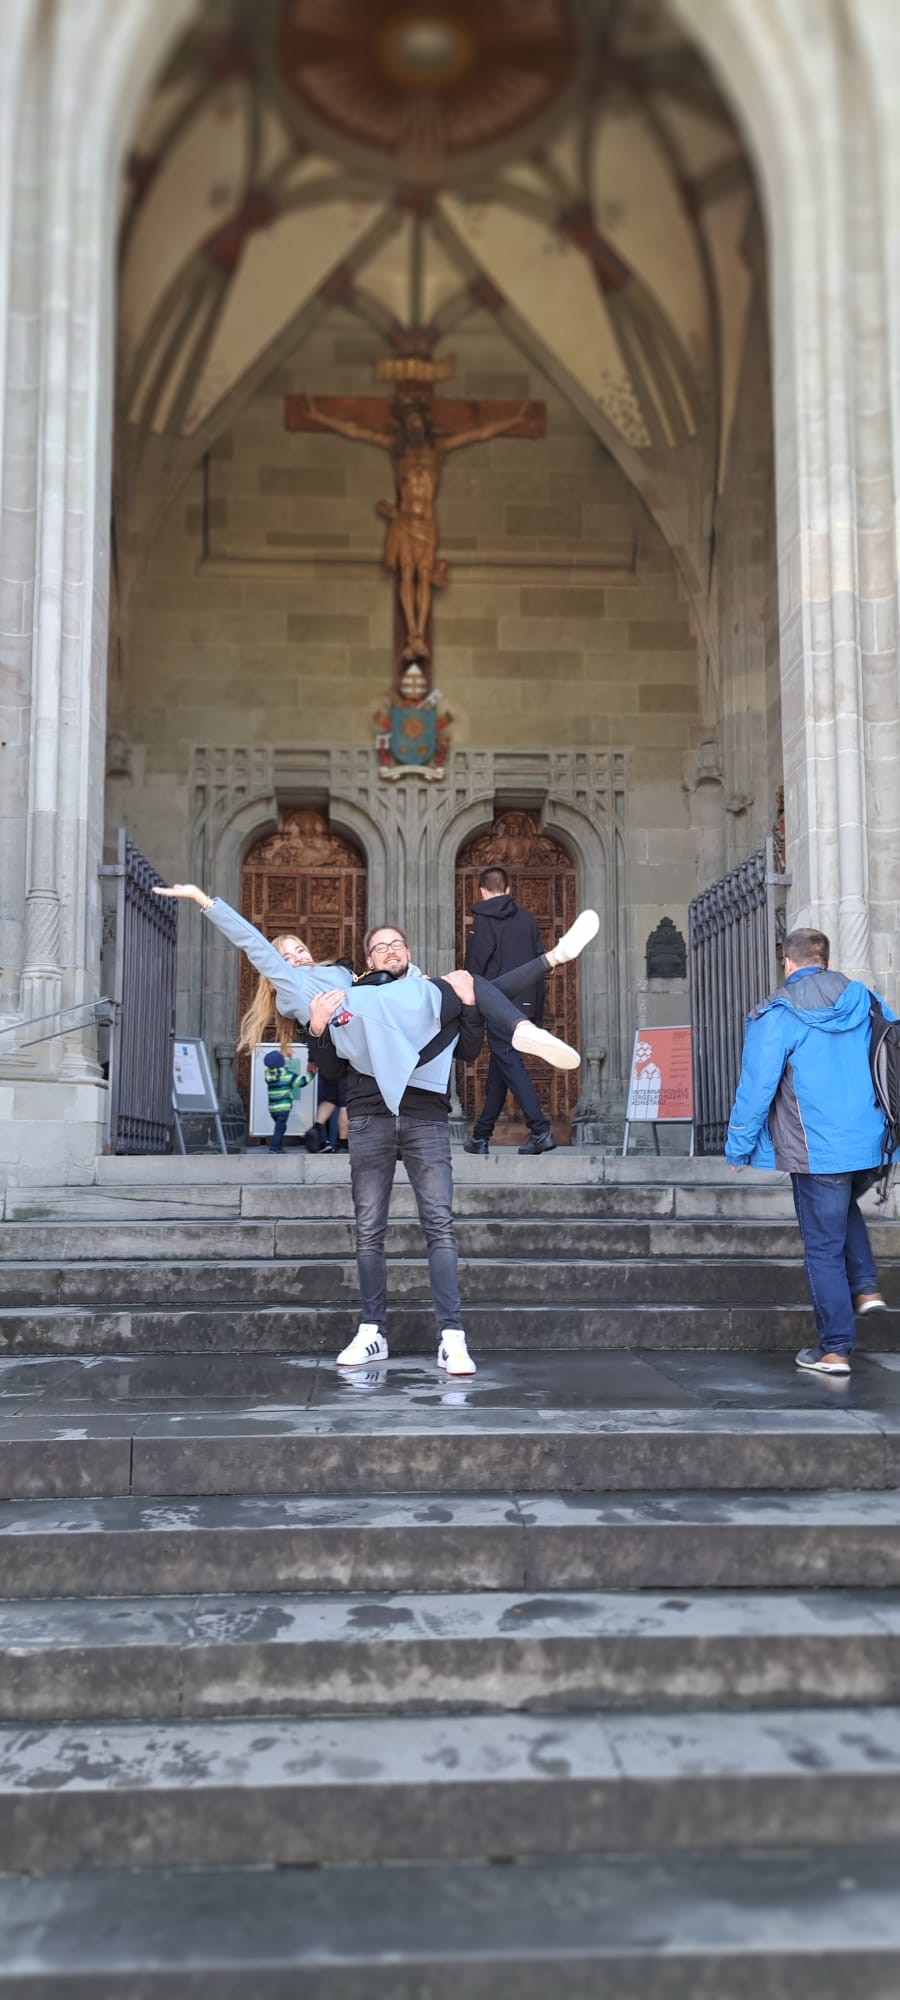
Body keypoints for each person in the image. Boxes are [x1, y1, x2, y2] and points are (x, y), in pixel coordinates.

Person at [307, 910, 599, 1376]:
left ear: (408, 952)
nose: (389, 951)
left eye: (396, 944)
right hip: (369, 1118)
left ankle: (452, 1336)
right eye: (380, 947)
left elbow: (466, 1049)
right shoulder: (355, 999)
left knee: (440, 1225)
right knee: (368, 1230)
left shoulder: (431, 993)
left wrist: (467, 1006)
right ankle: (372, 1331)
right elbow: (331, 1069)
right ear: (369, 960)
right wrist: (318, 1026)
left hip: (424, 1118)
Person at [725, 926, 895, 1376]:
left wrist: (739, 1145)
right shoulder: (869, 1001)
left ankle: (835, 1349)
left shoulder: (779, 1011)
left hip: (816, 1146)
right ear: (827, 961)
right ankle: (865, 1286)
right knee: (840, 1207)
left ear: (788, 963)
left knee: (822, 1246)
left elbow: (757, 1087)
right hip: (875, 1142)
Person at [464, 866, 597, 1156]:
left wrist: (471, 1003)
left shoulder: (482, 920)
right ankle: (481, 1136)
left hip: (497, 1002)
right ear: (508, 889)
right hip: (525, 1001)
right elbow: (539, 965)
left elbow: (475, 966)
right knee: (501, 1067)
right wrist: (535, 1011)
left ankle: (540, 1130)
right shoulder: (527, 919)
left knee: (509, 1062)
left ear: (482, 891)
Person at [262, 1049, 312, 1153]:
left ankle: (279, 1147)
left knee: (281, 1127)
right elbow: (302, 1082)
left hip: (273, 1108)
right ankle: (274, 1149)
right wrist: (311, 1073)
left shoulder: (268, 1075)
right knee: (279, 1129)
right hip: (283, 1108)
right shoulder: (287, 1075)